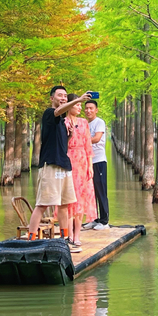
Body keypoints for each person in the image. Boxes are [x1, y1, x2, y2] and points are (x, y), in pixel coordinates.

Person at [27, 85, 90, 251]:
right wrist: (78, 99)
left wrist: (69, 134)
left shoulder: (63, 121)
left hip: (64, 165)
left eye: (65, 96)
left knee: (63, 205)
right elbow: (57, 112)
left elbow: (62, 143)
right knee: (42, 204)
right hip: (50, 165)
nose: (63, 98)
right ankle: (30, 241)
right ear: (52, 98)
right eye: (60, 95)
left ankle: (64, 241)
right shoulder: (50, 113)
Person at [65, 93, 97, 250]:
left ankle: (77, 235)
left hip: (82, 161)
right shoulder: (63, 122)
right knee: (69, 200)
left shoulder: (84, 122)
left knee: (80, 200)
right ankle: (69, 235)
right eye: (77, 104)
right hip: (68, 160)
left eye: (80, 105)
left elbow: (88, 145)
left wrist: (90, 166)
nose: (80, 108)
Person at [84, 100, 110, 230]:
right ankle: (93, 218)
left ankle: (104, 221)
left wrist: (81, 141)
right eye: (86, 108)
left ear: (96, 110)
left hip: (99, 161)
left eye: (91, 108)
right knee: (90, 192)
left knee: (101, 191)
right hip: (87, 162)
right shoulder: (85, 124)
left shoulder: (99, 122)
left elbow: (96, 138)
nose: (88, 110)